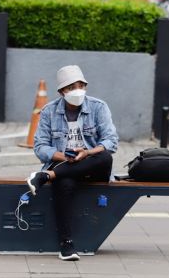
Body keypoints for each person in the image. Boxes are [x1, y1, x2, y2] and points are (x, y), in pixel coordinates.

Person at [26, 65, 118, 261]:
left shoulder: (98, 107)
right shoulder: (49, 111)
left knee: (104, 156)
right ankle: (66, 245)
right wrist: (64, 157)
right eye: (71, 87)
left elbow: (111, 141)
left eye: (81, 85)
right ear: (61, 92)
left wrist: (86, 153)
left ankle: (46, 176)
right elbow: (40, 146)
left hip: (93, 167)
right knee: (64, 183)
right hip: (65, 168)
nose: (77, 90)